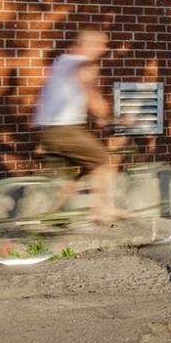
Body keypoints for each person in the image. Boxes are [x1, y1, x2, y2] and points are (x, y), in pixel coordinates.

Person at [31, 27, 129, 223]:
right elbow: (92, 98)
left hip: (47, 129)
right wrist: (114, 119)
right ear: (85, 44)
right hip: (63, 130)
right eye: (100, 44)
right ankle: (102, 209)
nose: (104, 49)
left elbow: (67, 97)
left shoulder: (61, 62)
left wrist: (99, 120)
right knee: (102, 161)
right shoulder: (83, 64)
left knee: (73, 178)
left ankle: (52, 215)